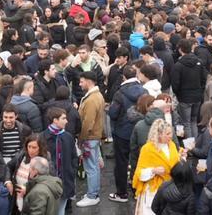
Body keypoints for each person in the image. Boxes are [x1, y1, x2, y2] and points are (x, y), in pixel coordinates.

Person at [107, 64, 144, 203]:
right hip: (139, 131)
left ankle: (122, 193)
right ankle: (137, 190)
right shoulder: (144, 91)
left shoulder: (120, 93)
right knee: (138, 160)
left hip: (122, 132)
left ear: (123, 77)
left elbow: (113, 113)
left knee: (121, 163)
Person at [133, 119, 182, 212]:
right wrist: (153, 171)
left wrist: (181, 158)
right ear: (159, 134)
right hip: (153, 191)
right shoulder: (147, 149)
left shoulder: (172, 145)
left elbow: (175, 163)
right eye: (167, 134)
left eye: (171, 133)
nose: (170, 136)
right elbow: (139, 173)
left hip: (170, 190)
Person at [75, 70, 105, 208]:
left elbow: (88, 122)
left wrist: (81, 139)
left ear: (88, 81)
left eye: (81, 82)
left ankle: (92, 195)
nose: (80, 84)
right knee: (94, 167)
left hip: (89, 138)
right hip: (93, 137)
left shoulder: (92, 99)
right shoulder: (95, 95)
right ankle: (94, 193)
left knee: (91, 168)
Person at [40, 107, 77, 215]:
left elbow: (73, 156)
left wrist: (72, 171)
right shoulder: (42, 137)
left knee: (61, 210)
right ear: (55, 120)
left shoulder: (68, 137)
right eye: (63, 118)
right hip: (48, 182)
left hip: (65, 181)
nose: (67, 121)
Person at [171, 39, 207, 139]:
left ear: (180, 49)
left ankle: (190, 145)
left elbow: (175, 84)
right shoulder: (199, 62)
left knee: (186, 123)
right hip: (197, 96)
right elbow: (204, 79)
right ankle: (195, 143)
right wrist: (200, 91)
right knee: (193, 121)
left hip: (185, 98)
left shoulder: (178, 65)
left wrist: (179, 95)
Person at [7, 134, 49, 213]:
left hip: (32, 200)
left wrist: (27, 188)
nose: (31, 150)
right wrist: (8, 181)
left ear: (40, 148)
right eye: (29, 146)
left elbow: (45, 181)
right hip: (16, 198)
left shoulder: (45, 161)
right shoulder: (22, 155)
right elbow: (8, 166)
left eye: (34, 147)